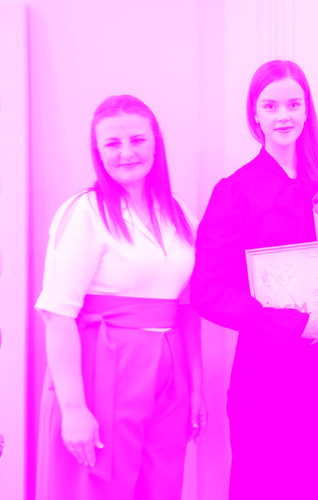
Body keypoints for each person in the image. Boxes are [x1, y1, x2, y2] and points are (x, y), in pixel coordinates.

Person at [190, 60, 318, 500]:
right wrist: (292, 324)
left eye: (293, 104)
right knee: (262, 486)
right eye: (271, 106)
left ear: (306, 110)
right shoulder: (234, 191)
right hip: (265, 373)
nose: (283, 115)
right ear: (255, 114)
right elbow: (207, 293)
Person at [35, 95, 207, 500]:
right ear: (97, 151)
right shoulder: (85, 212)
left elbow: (188, 309)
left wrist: (196, 387)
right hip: (104, 365)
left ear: (155, 143)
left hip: (170, 370)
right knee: (98, 486)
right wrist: (74, 411)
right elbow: (57, 315)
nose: (127, 152)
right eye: (112, 143)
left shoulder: (179, 213)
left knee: (161, 485)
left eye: (137, 140)